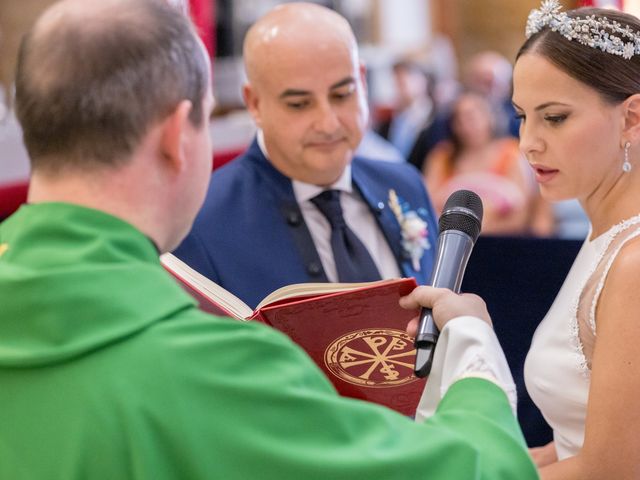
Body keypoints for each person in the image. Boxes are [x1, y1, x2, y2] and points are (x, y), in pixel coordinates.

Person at [0, 1, 540, 478]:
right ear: (177, 134)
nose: (327, 121)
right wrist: (471, 349)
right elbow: (487, 472)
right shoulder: (216, 365)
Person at [419, 1, 640, 478]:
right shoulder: (605, 237)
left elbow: (610, 470)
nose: (528, 143)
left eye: (555, 117)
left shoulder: (634, 265)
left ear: (631, 118)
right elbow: (569, 445)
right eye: (521, 116)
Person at [174, 3, 439, 309]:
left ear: (362, 82)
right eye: (300, 104)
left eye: (342, 95)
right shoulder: (202, 222)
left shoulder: (405, 186)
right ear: (255, 103)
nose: (328, 123)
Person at [423, 91, 550, 236]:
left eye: (472, 117)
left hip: (500, 241)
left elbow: (521, 213)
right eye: (459, 119)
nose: (466, 126)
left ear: (488, 117)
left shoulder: (511, 153)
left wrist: (479, 229)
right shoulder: (441, 156)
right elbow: (429, 205)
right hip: (448, 238)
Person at [376, 58, 449, 170]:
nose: (400, 87)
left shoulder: (439, 121)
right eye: (397, 81)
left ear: (423, 80)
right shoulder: (386, 123)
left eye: (405, 79)